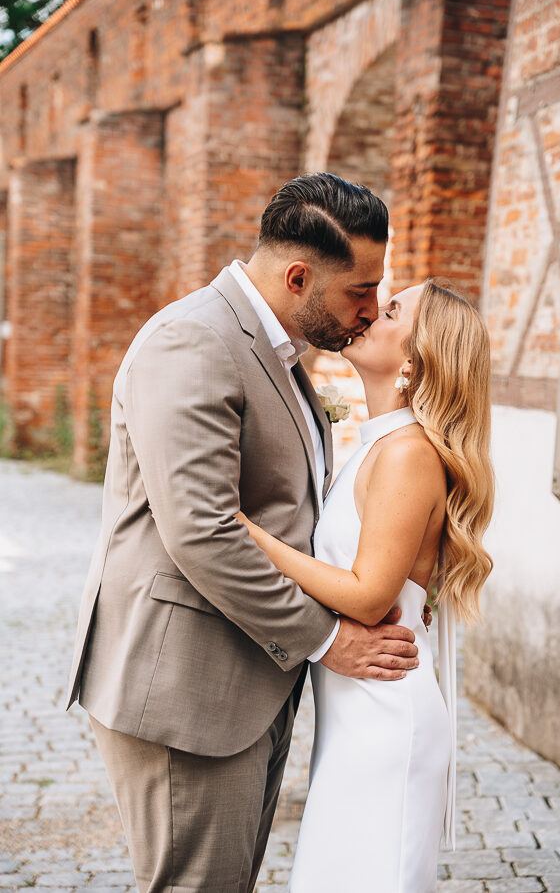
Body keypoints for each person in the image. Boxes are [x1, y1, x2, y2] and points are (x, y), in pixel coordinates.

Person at [66, 173, 426, 892]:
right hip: (186, 692)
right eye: (360, 291)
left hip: (247, 681)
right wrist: (328, 640)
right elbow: (201, 531)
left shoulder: (279, 349)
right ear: (298, 275)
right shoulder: (193, 340)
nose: (367, 311)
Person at [237, 278, 495, 892]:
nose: (370, 311)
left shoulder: (408, 452)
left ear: (415, 359)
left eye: (392, 309)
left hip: (385, 722)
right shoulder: (377, 441)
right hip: (354, 720)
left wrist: (246, 534)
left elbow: (369, 595)